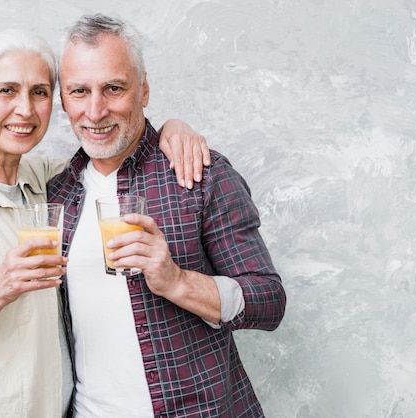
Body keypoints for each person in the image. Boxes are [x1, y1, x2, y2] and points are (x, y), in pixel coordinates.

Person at [0, 28, 210, 418]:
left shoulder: (46, 179)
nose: (25, 109)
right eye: (6, 90)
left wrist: (172, 129)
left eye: (39, 92)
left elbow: (111, 155)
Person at [47, 14, 287, 417]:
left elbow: (269, 301)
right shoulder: (57, 193)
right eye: (78, 91)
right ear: (63, 99)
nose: (95, 110)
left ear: (143, 89)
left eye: (114, 88)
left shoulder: (199, 174)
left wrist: (176, 281)